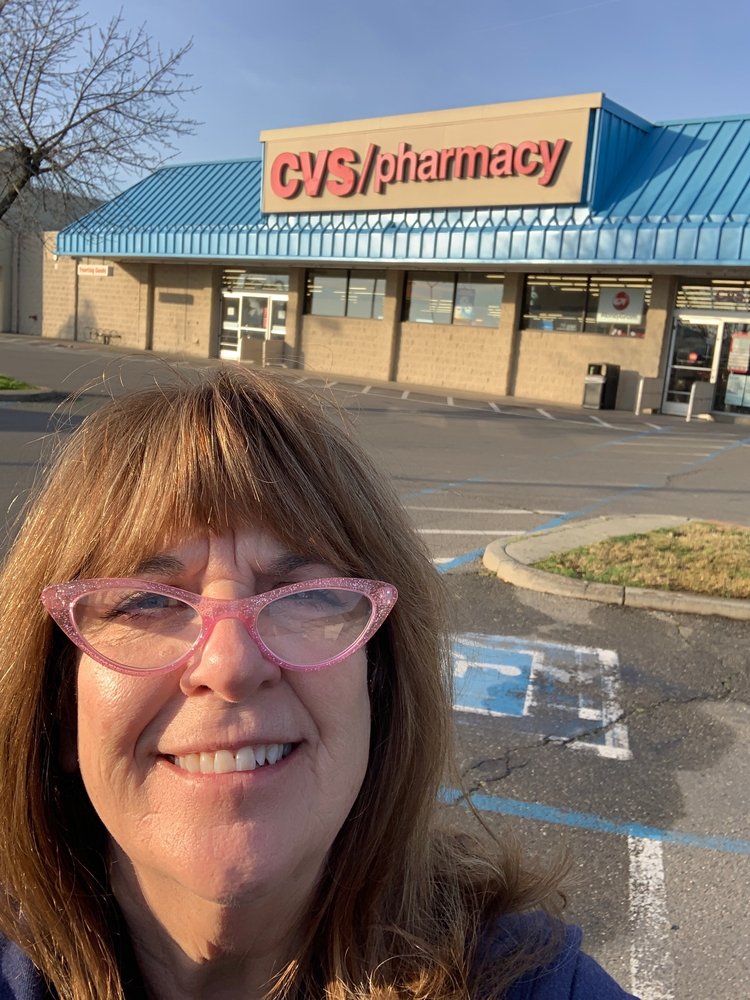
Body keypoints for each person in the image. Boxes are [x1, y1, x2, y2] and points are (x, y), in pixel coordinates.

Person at [0, 368, 636, 999]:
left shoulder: (536, 986)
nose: (230, 666)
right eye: (145, 602)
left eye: (305, 595)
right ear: (59, 705)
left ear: (380, 682)